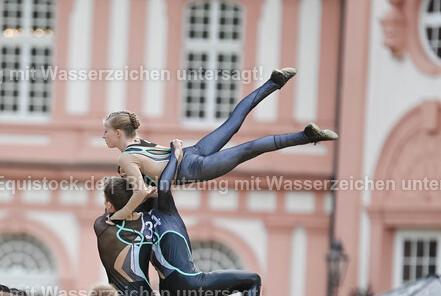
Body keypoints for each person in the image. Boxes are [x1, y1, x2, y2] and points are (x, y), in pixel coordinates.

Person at [103, 68, 337, 220]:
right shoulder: (137, 141)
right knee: (233, 123)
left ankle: (306, 136)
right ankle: (274, 82)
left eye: (106, 132)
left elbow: (142, 191)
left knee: (247, 149)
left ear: (118, 132)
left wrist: (118, 215)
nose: (104, 136)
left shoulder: (126, 157)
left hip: (192, 168)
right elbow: (152, 180)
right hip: (192, 152)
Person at [145, 141, 262, 296]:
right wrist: (176, 155)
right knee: (253, 280)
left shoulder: (137, 221)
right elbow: (163, 185)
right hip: (188, 282)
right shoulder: (162, 208)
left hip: (169, 292)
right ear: (149, 186)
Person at [94, 176, 160, 296]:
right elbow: (151, 195)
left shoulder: (102, 227)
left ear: (109, 205)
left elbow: (117, 205)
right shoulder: (147, 219)